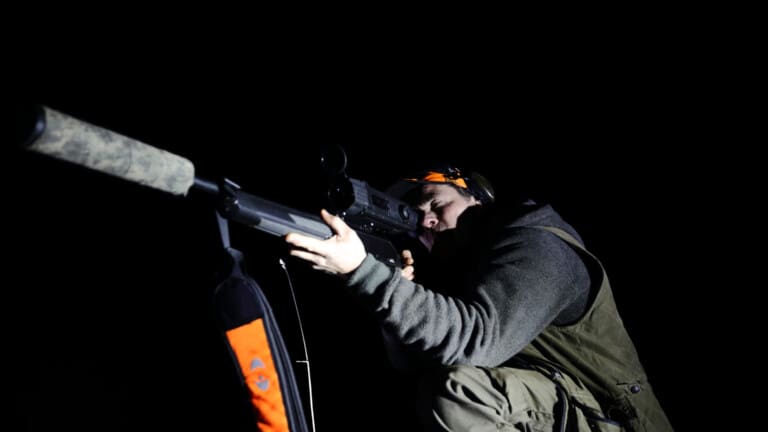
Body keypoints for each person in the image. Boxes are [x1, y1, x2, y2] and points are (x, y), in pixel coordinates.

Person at [284, 163, 673, 431]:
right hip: (561, 407)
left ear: (477, 197)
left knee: (458, 394)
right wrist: (390, 300)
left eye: (436, 203)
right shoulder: (466, 273)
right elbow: (413, 367)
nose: (427, 221)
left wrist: (363, 272)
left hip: (612, 420)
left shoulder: (539, 245)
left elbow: (476, 342)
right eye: (417, 219)